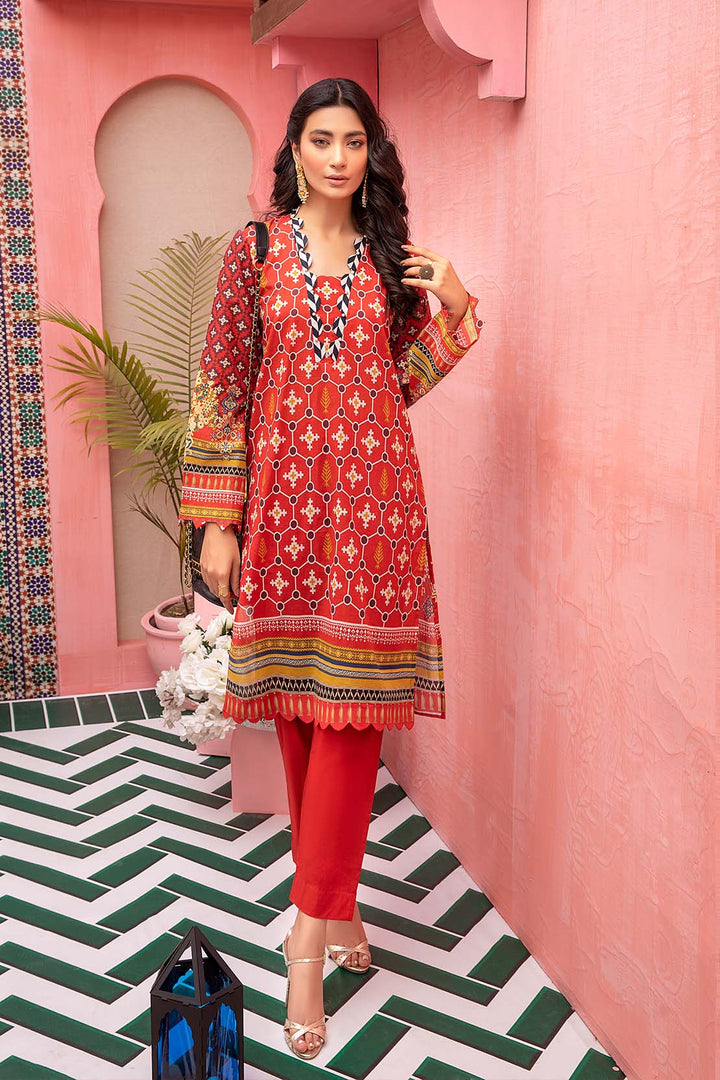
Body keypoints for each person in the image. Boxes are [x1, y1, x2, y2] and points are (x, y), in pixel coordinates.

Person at [177, 76, 484, 1059]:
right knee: (303, 715)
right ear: (296, 150)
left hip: (377, 518)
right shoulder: (256, 251)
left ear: (372, 153)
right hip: (282, 517)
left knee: (353, 722)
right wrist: (216, 523)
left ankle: (305, 939)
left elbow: (399, 382)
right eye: (323, 139)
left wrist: (456, 307)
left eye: (356, 140)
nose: (341, 157)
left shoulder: (390, 259)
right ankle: (341, 905)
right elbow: (221, 382)